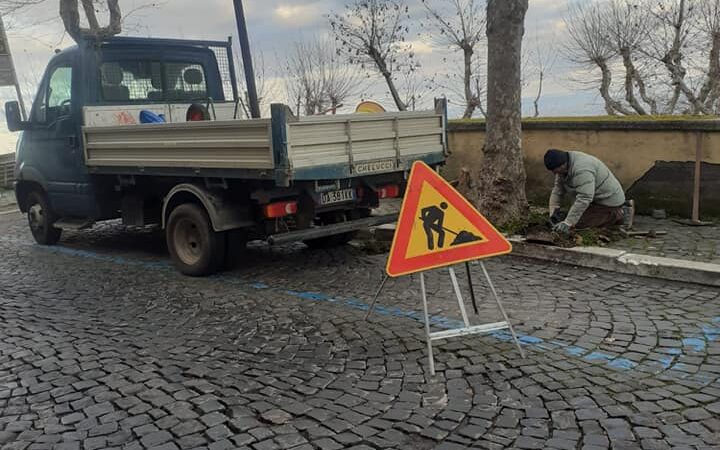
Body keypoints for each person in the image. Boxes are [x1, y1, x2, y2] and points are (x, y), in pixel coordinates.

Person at [544, 149, 630, 234]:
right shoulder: (563, 166)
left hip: (608, 202)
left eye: (555, 171)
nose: (555, 174)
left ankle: (621, 213)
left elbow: (585, 198)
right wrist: (553, 213)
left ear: (562, 165)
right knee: (563, 218)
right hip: (594, 201)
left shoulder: (582, 169)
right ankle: (611, 212)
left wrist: (568, 223)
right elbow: (557, 191)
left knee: (578, 225)